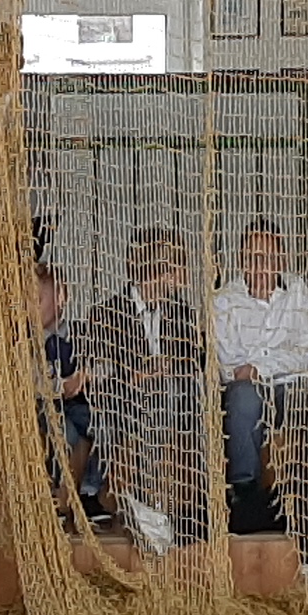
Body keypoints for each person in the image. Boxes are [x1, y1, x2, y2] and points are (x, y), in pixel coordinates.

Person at [78, 226, 210, 551]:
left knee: (180, 392)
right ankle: (152, 501)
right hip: (126, 402)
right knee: (157, 395)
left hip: (174, 403)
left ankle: (190, 501)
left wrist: (170, 367)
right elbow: (97, 373)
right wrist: (135, 376)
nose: (185, 276)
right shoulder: (106, 314)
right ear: (161, 270)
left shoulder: (183, 314)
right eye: (179, 266)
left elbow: (197, 362)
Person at [207, 220, 308, 513]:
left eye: (268, 257)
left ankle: (306, 488)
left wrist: (260, 366)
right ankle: (245, 492)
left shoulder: (297, 291)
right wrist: (272, 363)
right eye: (252, 257)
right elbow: (229, 364)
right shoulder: (224, 300)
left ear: (282, 260)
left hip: (289, 384)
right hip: (246, 388)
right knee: (244, 397)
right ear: (241, 260)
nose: (260, 266)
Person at [32, 264, 103, 516]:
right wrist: (60, 387)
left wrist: (86, 376)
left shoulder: (81, 334)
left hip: (79, 402)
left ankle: (90, 491)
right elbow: (32, 381)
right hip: (45, 405)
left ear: (61, 298)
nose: (31, 308)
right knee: (67, 433)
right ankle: (58, 496)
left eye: (38, 300)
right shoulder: (28, 341)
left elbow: (103, 363)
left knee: (102, 426)